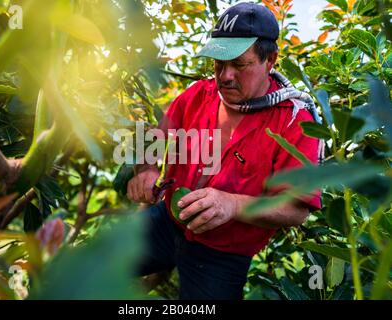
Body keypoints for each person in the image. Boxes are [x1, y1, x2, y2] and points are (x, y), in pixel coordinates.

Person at [127, 2, 322, 300]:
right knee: (85, 268)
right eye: (219, 63)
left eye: (239, 64)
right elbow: (154, 136)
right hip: (166, 223)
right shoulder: (199, 94)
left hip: (221, 257)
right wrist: (149, 167)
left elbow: (296, 210)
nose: (225, 75)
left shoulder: (295, 121)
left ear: (270, 60)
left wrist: (231, 204)